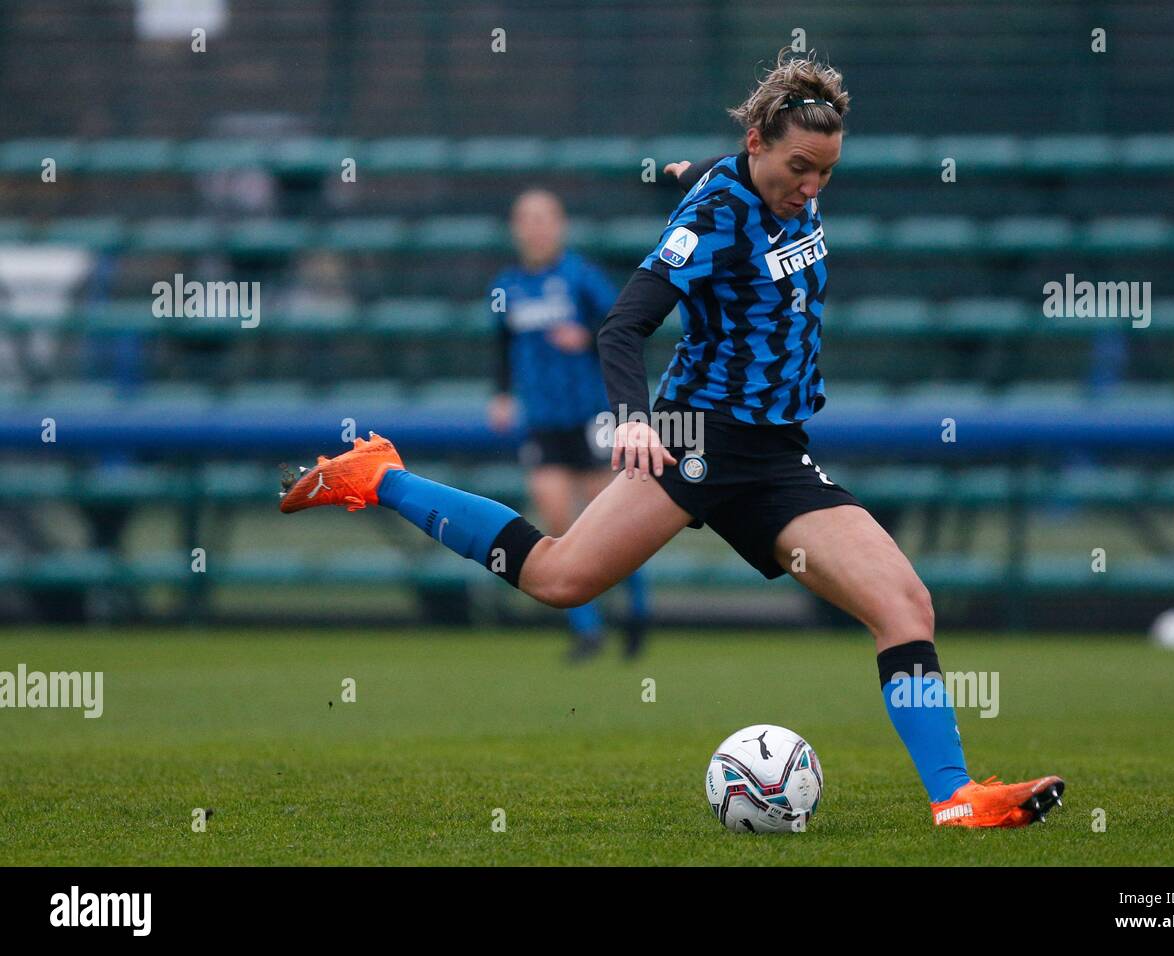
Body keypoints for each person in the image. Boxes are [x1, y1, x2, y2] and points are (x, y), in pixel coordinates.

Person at [281, 49, 1064, 828]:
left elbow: (705, 171)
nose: (813, 187)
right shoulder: (713, 219)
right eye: (801, 167)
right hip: (698, 438)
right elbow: (623, 327)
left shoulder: (772, 183)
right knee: (559, 580)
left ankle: (956, 799)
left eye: (827, 171)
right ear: (758, 142)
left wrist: (672, 169)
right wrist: (631, 419)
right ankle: (379, 476)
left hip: (777, 452)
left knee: (906, 606)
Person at [487, 188, 650, 660]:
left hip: (591, 415)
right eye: (526, 219)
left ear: (559, 225)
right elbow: (501, 343)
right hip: (542, 419)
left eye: (544, 218)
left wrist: (587, 337)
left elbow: (622, 326)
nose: (535, 227)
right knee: (558, 520)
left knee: (611, 525)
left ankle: (637, 612)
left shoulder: (580, 276)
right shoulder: (504, 287)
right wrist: (501, 394)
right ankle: (587, 629)